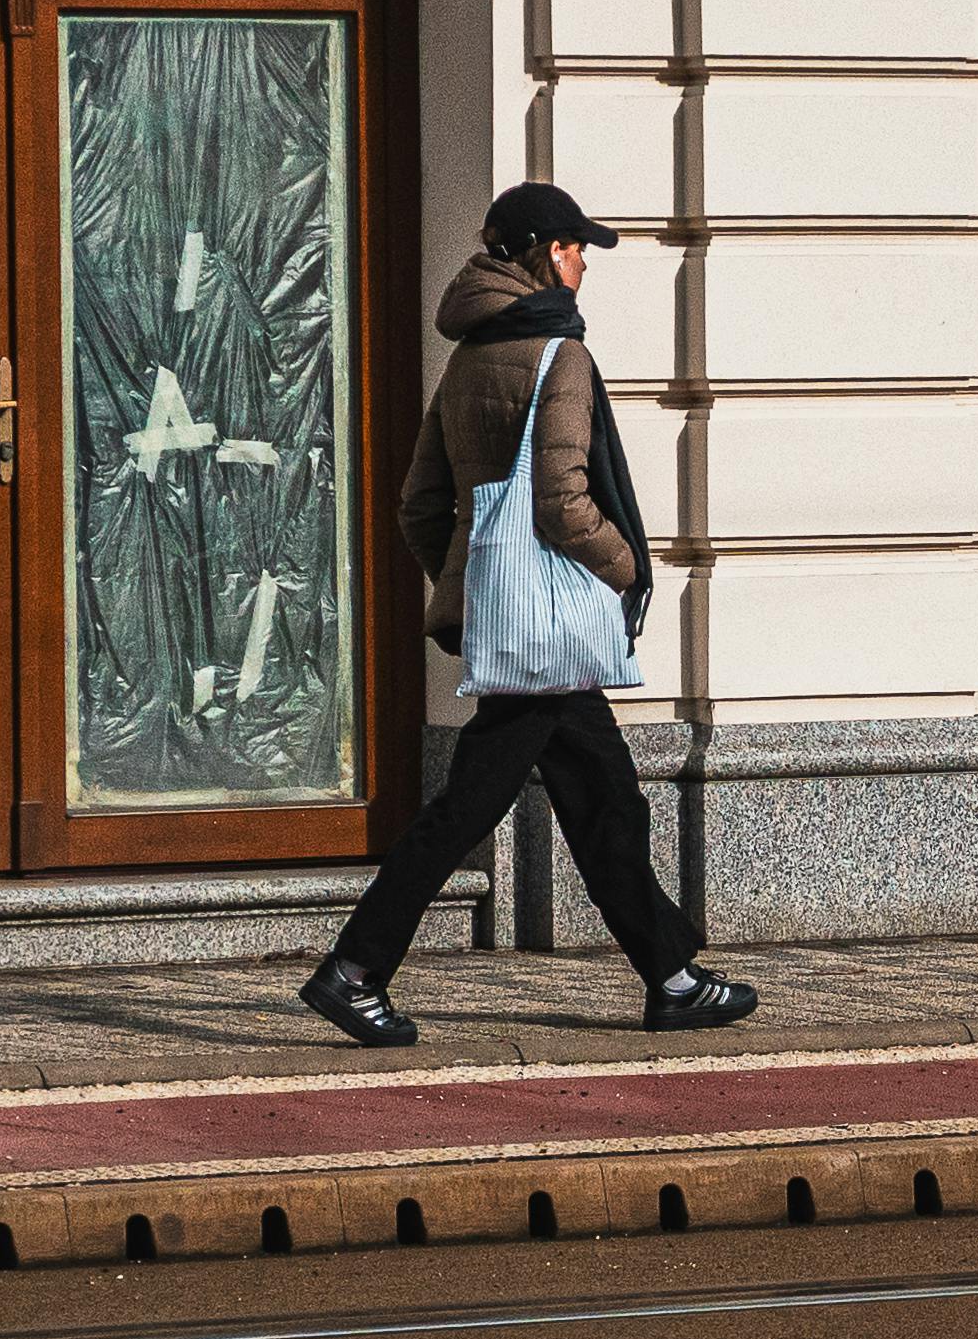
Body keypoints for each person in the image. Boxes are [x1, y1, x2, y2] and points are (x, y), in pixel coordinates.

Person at [300, 185, 764, 1045]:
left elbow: (419, 505)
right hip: (552, 626)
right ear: (549, 251)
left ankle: (670, 976)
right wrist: (627, 566)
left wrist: (475, 587)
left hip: (520, 624)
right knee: (473, 811)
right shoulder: (558, 351)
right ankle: (354, 969)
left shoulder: (471, 354)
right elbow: (561, 501)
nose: (585, 261)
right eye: (579, 247)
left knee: (606, 803)